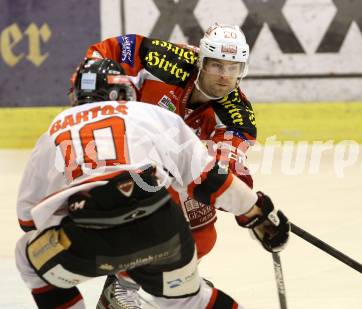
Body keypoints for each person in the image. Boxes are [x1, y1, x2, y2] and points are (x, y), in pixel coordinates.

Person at [15, 58, 290, 309]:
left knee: (26, 256)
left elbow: (28, 219)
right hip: (162, 230)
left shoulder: (56, 128)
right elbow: (209, 179)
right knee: (189, 300)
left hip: (91, 234)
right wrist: (256, 213)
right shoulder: (153, 115)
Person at [83, 23, 256, 263]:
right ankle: (126, 277)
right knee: (152, 204)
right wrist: (90, 92)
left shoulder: (237, 115)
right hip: (121, 145)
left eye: (233, 67)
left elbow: (227, 169)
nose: (224, 75)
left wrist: (249, 205)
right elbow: (106, 51)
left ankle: (156, 280)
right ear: (201, 62)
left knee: (203, 233)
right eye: (216, 64)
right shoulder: (167, 59)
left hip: (169, 167)